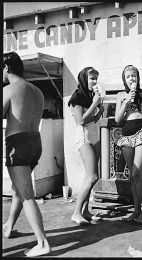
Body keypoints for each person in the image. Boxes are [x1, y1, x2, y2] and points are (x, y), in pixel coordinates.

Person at [2, 51, 51, 257]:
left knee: (26, 195)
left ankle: (42, 243)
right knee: (18, 190)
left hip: (18, 144)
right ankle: (8, 226)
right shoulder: (37, 90)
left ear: (6, 68)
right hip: (35, 142)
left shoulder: (9, 89)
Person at [115, 65, 142, 224]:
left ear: (138, 77)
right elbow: (118, 120)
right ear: (124, 80)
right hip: (126, 135)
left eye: (134, 75)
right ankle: (136, 210)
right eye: (128, 76)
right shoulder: (121, 96)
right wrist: (126, 100)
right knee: (134, 178)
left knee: (136, 172)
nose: (131, 79)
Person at [68, 67, 104, 224]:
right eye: (92, 78)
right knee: (92, 176)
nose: (95, 81)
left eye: (96, 78)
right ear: (83, 79)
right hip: (84, 137)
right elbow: (81, 120)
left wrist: (100, 106)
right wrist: (95, 103)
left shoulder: (91, 96)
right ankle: (76, 212)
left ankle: (85, 211)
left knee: (89, 177)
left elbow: (93, 119)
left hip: (94, 135)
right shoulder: (76, 97)